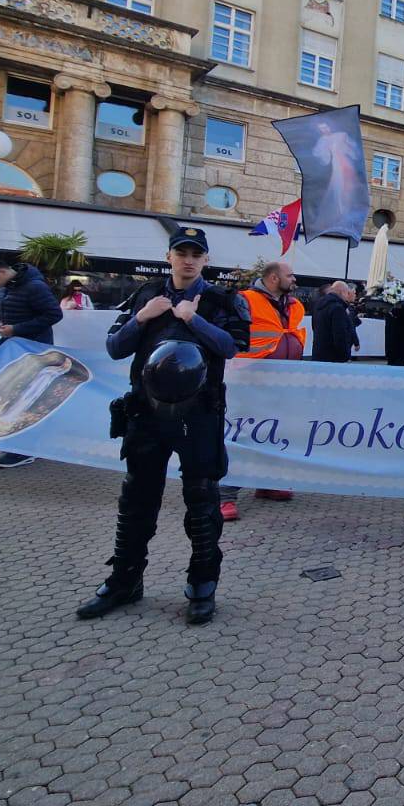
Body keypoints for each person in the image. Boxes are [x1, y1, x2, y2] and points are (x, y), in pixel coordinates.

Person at [76, 227, 250, 626]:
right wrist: (142, 317)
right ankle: (124, 580)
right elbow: (115, 347)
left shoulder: (222, 299)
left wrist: (195, 321)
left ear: (206, 260)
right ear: (169, 255)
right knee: (136, 500)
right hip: (146, 413)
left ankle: (202, 586)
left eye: (196, 254)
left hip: (199, 415)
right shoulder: (146, 295)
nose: (188, 259)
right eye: (181, 252)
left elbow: (232, 346)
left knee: (202, 502)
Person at [222, 261, 304, 520]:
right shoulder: (244, 300)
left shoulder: (293, 305)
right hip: (248, 382)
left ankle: (267, 483)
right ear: (272, 278)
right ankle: (224, 495)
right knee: (240, 436)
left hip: (281, 383)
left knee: (275, 432)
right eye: (290, 276)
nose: (294, 280)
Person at [0, 260, 64, 468]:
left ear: (1, 271)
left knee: (25, 400)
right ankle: (3, 445)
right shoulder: (14, 286)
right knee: (9, 397)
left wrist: (16, 329)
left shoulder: (34, 286)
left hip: (34, 352)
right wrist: (6, 327)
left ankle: (24, 449)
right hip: (18, 350)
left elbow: (54, 314)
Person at [310, 280, 357, 362]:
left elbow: (314, 327)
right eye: (347, 293)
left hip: (318, 353)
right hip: (333, 357)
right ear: (342, 292)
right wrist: (345, 356)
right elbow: (340, 336)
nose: (347, 296)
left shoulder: (318, 305)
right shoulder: (338, 308)